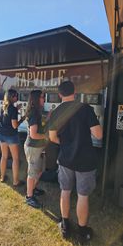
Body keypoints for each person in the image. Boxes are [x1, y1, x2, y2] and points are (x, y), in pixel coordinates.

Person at [49, 81, 103, 241]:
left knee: (65, 191)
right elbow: (98, 135)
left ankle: (65, 226)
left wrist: (66, 144)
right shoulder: (85, 109)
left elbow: (52, 138)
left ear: (60, 95)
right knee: (82, 195)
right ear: (75, 92)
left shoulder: (56, 112)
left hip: (65, 159)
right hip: (85, 160)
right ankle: (82, 231)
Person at [24, 90, 48, 208]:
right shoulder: (33, 113)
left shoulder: (38, 112)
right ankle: (29, 197)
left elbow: (41, 125)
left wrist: (48, 117)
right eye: (42, 97)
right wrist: (47, 136)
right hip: (33, 147)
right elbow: (33, 135)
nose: (44, 99)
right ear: (37, 99)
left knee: (40, 170)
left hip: (39, 147)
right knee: (32, 172)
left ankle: (33, 189)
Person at [0, 89, 25, 186]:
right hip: (11, 136)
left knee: (4, 156)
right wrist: (22, 119)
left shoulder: (4, 107)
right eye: (15, 96)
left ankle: (2, 177)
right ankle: (15, 181)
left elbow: (6, 117)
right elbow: (14, 125)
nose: (17, 97)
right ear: (12, 97)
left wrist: (16, 109)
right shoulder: (12, 109)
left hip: (1, 134)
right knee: (15, 159)